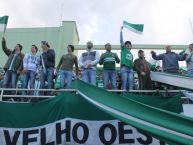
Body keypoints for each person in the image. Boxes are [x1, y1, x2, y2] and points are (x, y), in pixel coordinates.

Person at [120, 26, 134, 91]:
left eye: (129, 44)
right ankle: (123, 95)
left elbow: (132, 63)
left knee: (131, 81)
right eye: (127, 44)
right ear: (125, 46)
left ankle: (130, 94)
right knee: (124, 80)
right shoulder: (123, 50)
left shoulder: (131, 54)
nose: (128, 45)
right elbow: (121, 41)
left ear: (131, 46)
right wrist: (121, 31)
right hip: (124, 68)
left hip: (130, 69)